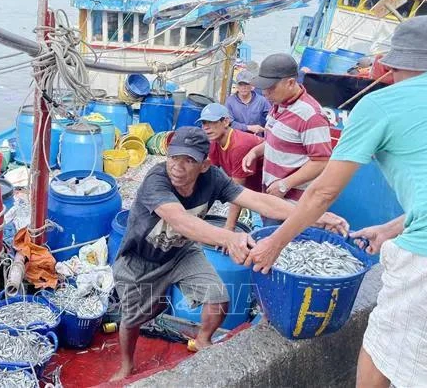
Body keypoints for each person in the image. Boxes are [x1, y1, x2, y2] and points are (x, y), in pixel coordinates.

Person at [245, 16, 427, 388]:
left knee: (382, 354)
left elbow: (323, 191)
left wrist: (275, 243)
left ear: (400, 64)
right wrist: (389, 228)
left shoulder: (382, 104)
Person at [111, 127, 348, 381]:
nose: (178, 167)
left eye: (189, 160)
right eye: (173, 158)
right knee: (133, 318)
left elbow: (260, 201)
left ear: (204, 165)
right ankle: (126, 364)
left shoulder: (213, 178)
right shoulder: (155, 180)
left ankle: (203, 340)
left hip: (181, 252)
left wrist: (314, 216)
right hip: (141, 259)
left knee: (219, 299)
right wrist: (229, 237)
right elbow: (180, 221)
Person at [242, 53, 332, 209]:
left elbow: (321, 162)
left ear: (290, 83)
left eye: (270, 88)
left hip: (292, 203)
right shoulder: (279, 104)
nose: (265, 93)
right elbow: (277, 139)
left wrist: (285, 184)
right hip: (272, 194)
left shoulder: (311, 115)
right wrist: (255, 152)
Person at [199, 102, 264, 230]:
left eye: (212, 122)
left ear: (226, 121)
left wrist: (229, 228)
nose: (206, 127)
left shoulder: (239, 145)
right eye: (204, 123)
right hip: (252, 187)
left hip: (272, 189)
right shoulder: (214, 142)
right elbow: (208, 177)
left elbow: (237, 191)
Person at [225, 69, 271, 134]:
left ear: (252, 86)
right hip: (237, 138)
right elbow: (229, 123)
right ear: (237, 86)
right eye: (241, 84)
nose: (243, 87)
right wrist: (249, 128)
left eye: (246, 84)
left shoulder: (261, 101)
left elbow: (271, 117)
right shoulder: (230, 101)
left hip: (256, 138)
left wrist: (266, 129)